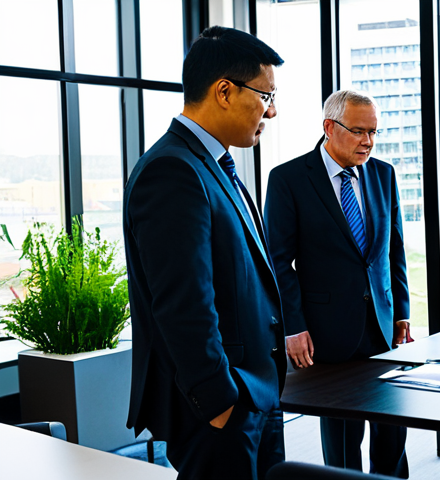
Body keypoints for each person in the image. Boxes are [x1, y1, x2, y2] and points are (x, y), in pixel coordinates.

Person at [123, 26, 286, 480]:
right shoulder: (173, 170)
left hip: (252, 396)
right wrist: (219, 402)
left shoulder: (211, 164)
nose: (272, 111)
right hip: (221, 407)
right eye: (266, 96)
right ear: (224, 91)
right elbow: (183, 304)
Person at [264, 89, 411, 478]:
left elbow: (394, 251)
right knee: (344, 449)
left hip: (382, 329)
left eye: (374, 132)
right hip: (328, 334)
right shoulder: (288, 179)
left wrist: (401, 313)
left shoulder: (384, 174)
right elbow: (278, 262)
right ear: (329, 127)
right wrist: (294, 325)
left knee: (393, 437)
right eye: (359, 131)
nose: (368, 141)